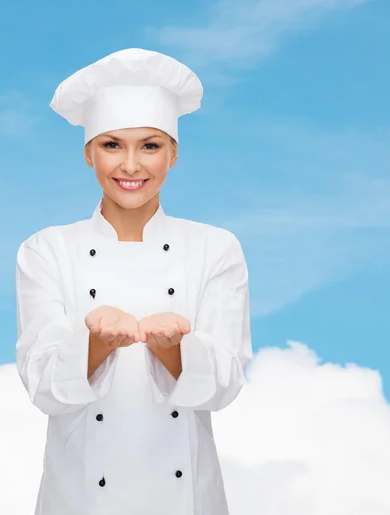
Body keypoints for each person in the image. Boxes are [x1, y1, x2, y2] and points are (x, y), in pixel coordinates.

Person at [15, 48, 253, 515]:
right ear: (88, 153)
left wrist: (172, 349)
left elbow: (226, 384)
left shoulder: (215, 248)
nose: (130, 166)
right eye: (111, 145)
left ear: (174, 153)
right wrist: (97, 343)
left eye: (149, 145)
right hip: (79, 500)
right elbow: (42, 385)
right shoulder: (46, 250)